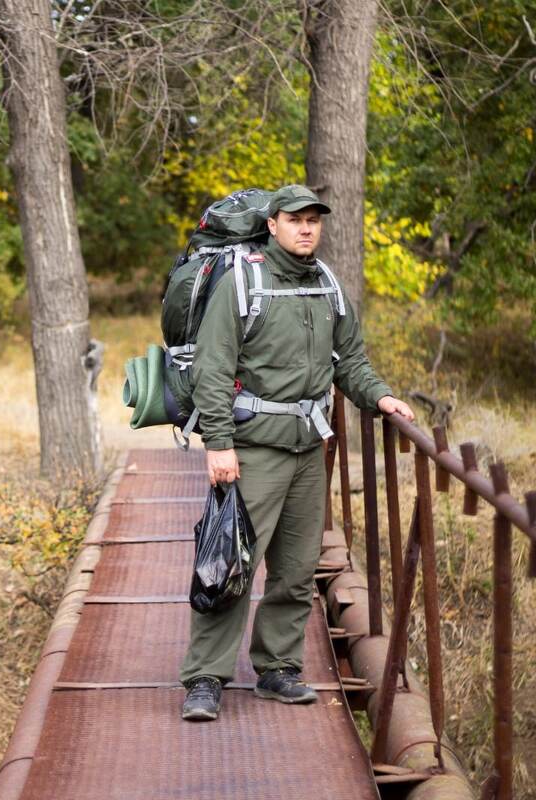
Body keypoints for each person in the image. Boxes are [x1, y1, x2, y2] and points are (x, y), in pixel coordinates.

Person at [179, 184, 415, 721]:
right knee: (230, 563)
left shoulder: (327, 283)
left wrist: (380, 396)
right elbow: (212, 372)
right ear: (273, 224)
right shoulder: (243, 283)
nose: (306, 228)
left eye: (314, 220)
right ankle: (205, 678)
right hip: (253, 448)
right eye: (295, 219)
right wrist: (218, 443)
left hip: (309, 449)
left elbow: (349, 359)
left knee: (296, 569)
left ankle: (278, 669)